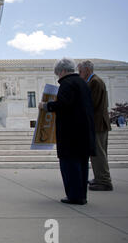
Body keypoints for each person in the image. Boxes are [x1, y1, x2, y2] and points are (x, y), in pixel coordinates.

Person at [38, 57, 95, 205]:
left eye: (58, 73)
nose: (58, 76)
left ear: (63, 71)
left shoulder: (67, 84)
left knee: (70, 165)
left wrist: (46, 106)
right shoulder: (83, 83)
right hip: (84, 131)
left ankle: (74, 196)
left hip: (71, 133)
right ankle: (81, 195)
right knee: (82, 165)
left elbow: (63, 105)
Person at [77, 61, 113, 191]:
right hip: (98, 123)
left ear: (87, 70)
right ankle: (99, 178)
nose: (79, 74)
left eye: (80, 71)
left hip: (97, 124)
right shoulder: (95, 82)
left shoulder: (95, 82)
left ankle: (104, 181)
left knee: (98, 153)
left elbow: (91, 104)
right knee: (98, 152)